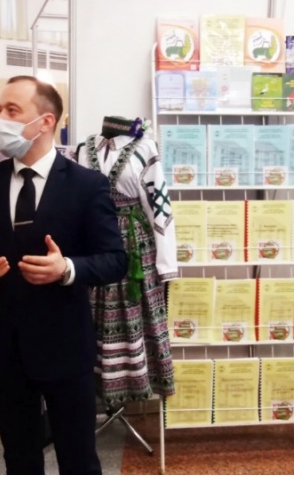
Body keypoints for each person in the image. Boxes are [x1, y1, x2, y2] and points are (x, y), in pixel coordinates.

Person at [0, 76, 127, 474]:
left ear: (45, 121)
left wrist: (68, 269)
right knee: (19, 458)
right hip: (1, 345)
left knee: (79, 460)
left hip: (64, 343)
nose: (0, 119)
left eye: (12, 111)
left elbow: (115, 259)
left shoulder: (86, 185)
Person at [76, 116, 176, 409]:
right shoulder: (83, 149)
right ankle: (92, 392)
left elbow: (160, 206)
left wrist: (165, 263)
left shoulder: (145, 148)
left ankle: (133, 387)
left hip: (134, 248)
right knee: (90, 315)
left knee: (135, 313)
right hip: (92, 242)